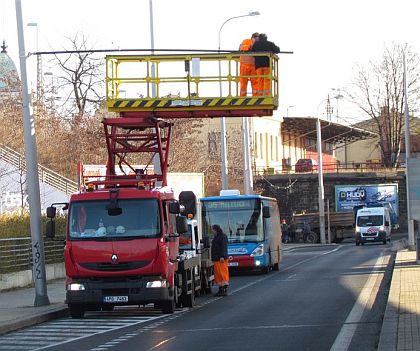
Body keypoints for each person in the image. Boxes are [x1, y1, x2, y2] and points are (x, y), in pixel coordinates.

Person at [238, 32, 260, 96]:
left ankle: (255, 97)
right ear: (252, 38)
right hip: (244, 65)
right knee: (243, 82)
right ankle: (242, 97)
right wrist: (249, 47)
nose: (256, 40)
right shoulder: (246, 41)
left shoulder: (258, 44)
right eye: (255, 38)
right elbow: (240, 48)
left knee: (255, 82)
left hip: (253, 66)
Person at [211, 224, 229, 296]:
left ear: (216, 230)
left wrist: (222, 256)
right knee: (218, 274)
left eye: (212, 229)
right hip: (217, 259)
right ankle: (221, 289)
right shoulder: (217, 237)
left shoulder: (222, 237)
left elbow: (223, 247)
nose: (212, 231)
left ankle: (224, 289)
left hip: (220, 259)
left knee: (222, 274)